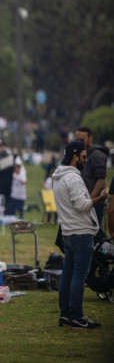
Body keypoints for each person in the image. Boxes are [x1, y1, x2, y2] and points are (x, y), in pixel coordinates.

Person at [53, 141, 107, 329]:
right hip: (81, 233)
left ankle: (65, 315)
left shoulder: (58, 177)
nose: (85, 160)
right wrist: (101, 197)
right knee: (79, 276)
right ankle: (76, 316)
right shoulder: (73, 178)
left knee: (67, 275)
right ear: (75, 157)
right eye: (84, 156)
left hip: (68, 232)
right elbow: (82, 205)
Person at [75, 126, 108, 229]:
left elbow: (101, 179)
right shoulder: (81, 152)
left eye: (82, 140)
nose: (79, 142)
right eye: (77, 140)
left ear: (90, 138)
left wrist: (91, 198)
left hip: (94, 202)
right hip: (83, 201)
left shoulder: (96, 155)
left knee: (93, 233)